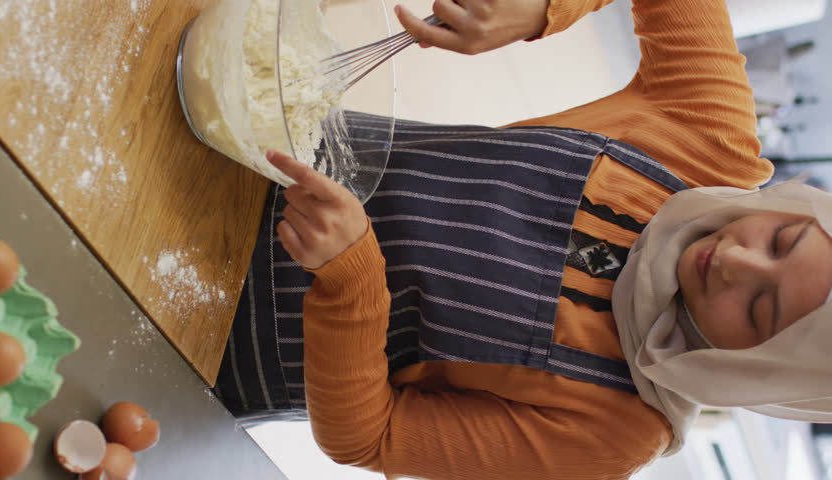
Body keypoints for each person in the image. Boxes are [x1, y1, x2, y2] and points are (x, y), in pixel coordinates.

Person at [214, 0, 832, 479]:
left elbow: (366, 437)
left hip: (215, 337)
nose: (734, 259)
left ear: (753, 376)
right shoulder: (710, 141)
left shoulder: (615, 433)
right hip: (244, 150)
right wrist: (539, 10)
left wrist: (350, 279)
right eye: (781, 239)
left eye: (758, 310)